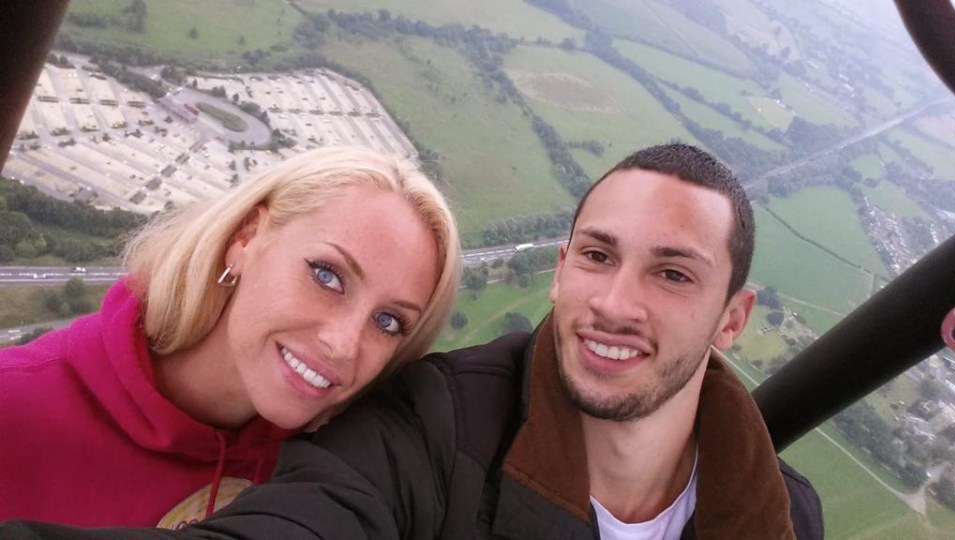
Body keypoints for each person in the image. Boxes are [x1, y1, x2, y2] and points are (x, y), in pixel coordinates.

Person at [0, 143, 822, 539]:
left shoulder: (789, 516)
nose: (341, 342)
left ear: (732, 318)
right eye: (600, 257)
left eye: (673, 274)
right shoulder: (426, 438)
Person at [0, 146, 460, 529]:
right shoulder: (15, 408)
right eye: (327, 275)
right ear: (246, 238)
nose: (342, 345)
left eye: (388, 322)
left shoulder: (336, 471)